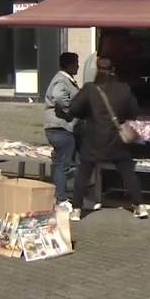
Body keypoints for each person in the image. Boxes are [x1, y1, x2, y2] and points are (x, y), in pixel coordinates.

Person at [68, 57, 148, 221]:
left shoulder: (90, 88)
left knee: (83, 173)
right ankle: (140, 206)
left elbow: (74, 109)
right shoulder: (123, 88)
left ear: (97, 70)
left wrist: (87, 114)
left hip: (93, 139)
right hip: (116, 139)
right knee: (128, 171)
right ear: (114, 70)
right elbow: (134, 111)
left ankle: (76, 209)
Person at [44, 52, 82, 211]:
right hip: (60, 128)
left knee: (70, 163)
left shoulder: (67, 80)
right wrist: (70, 111)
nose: (78, 66)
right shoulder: (61, 80)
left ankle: (72, 196)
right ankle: (61, 198)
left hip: (64, 129)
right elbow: (58, 97)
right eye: (76, 63)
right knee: (63, 164)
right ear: (68, 65)